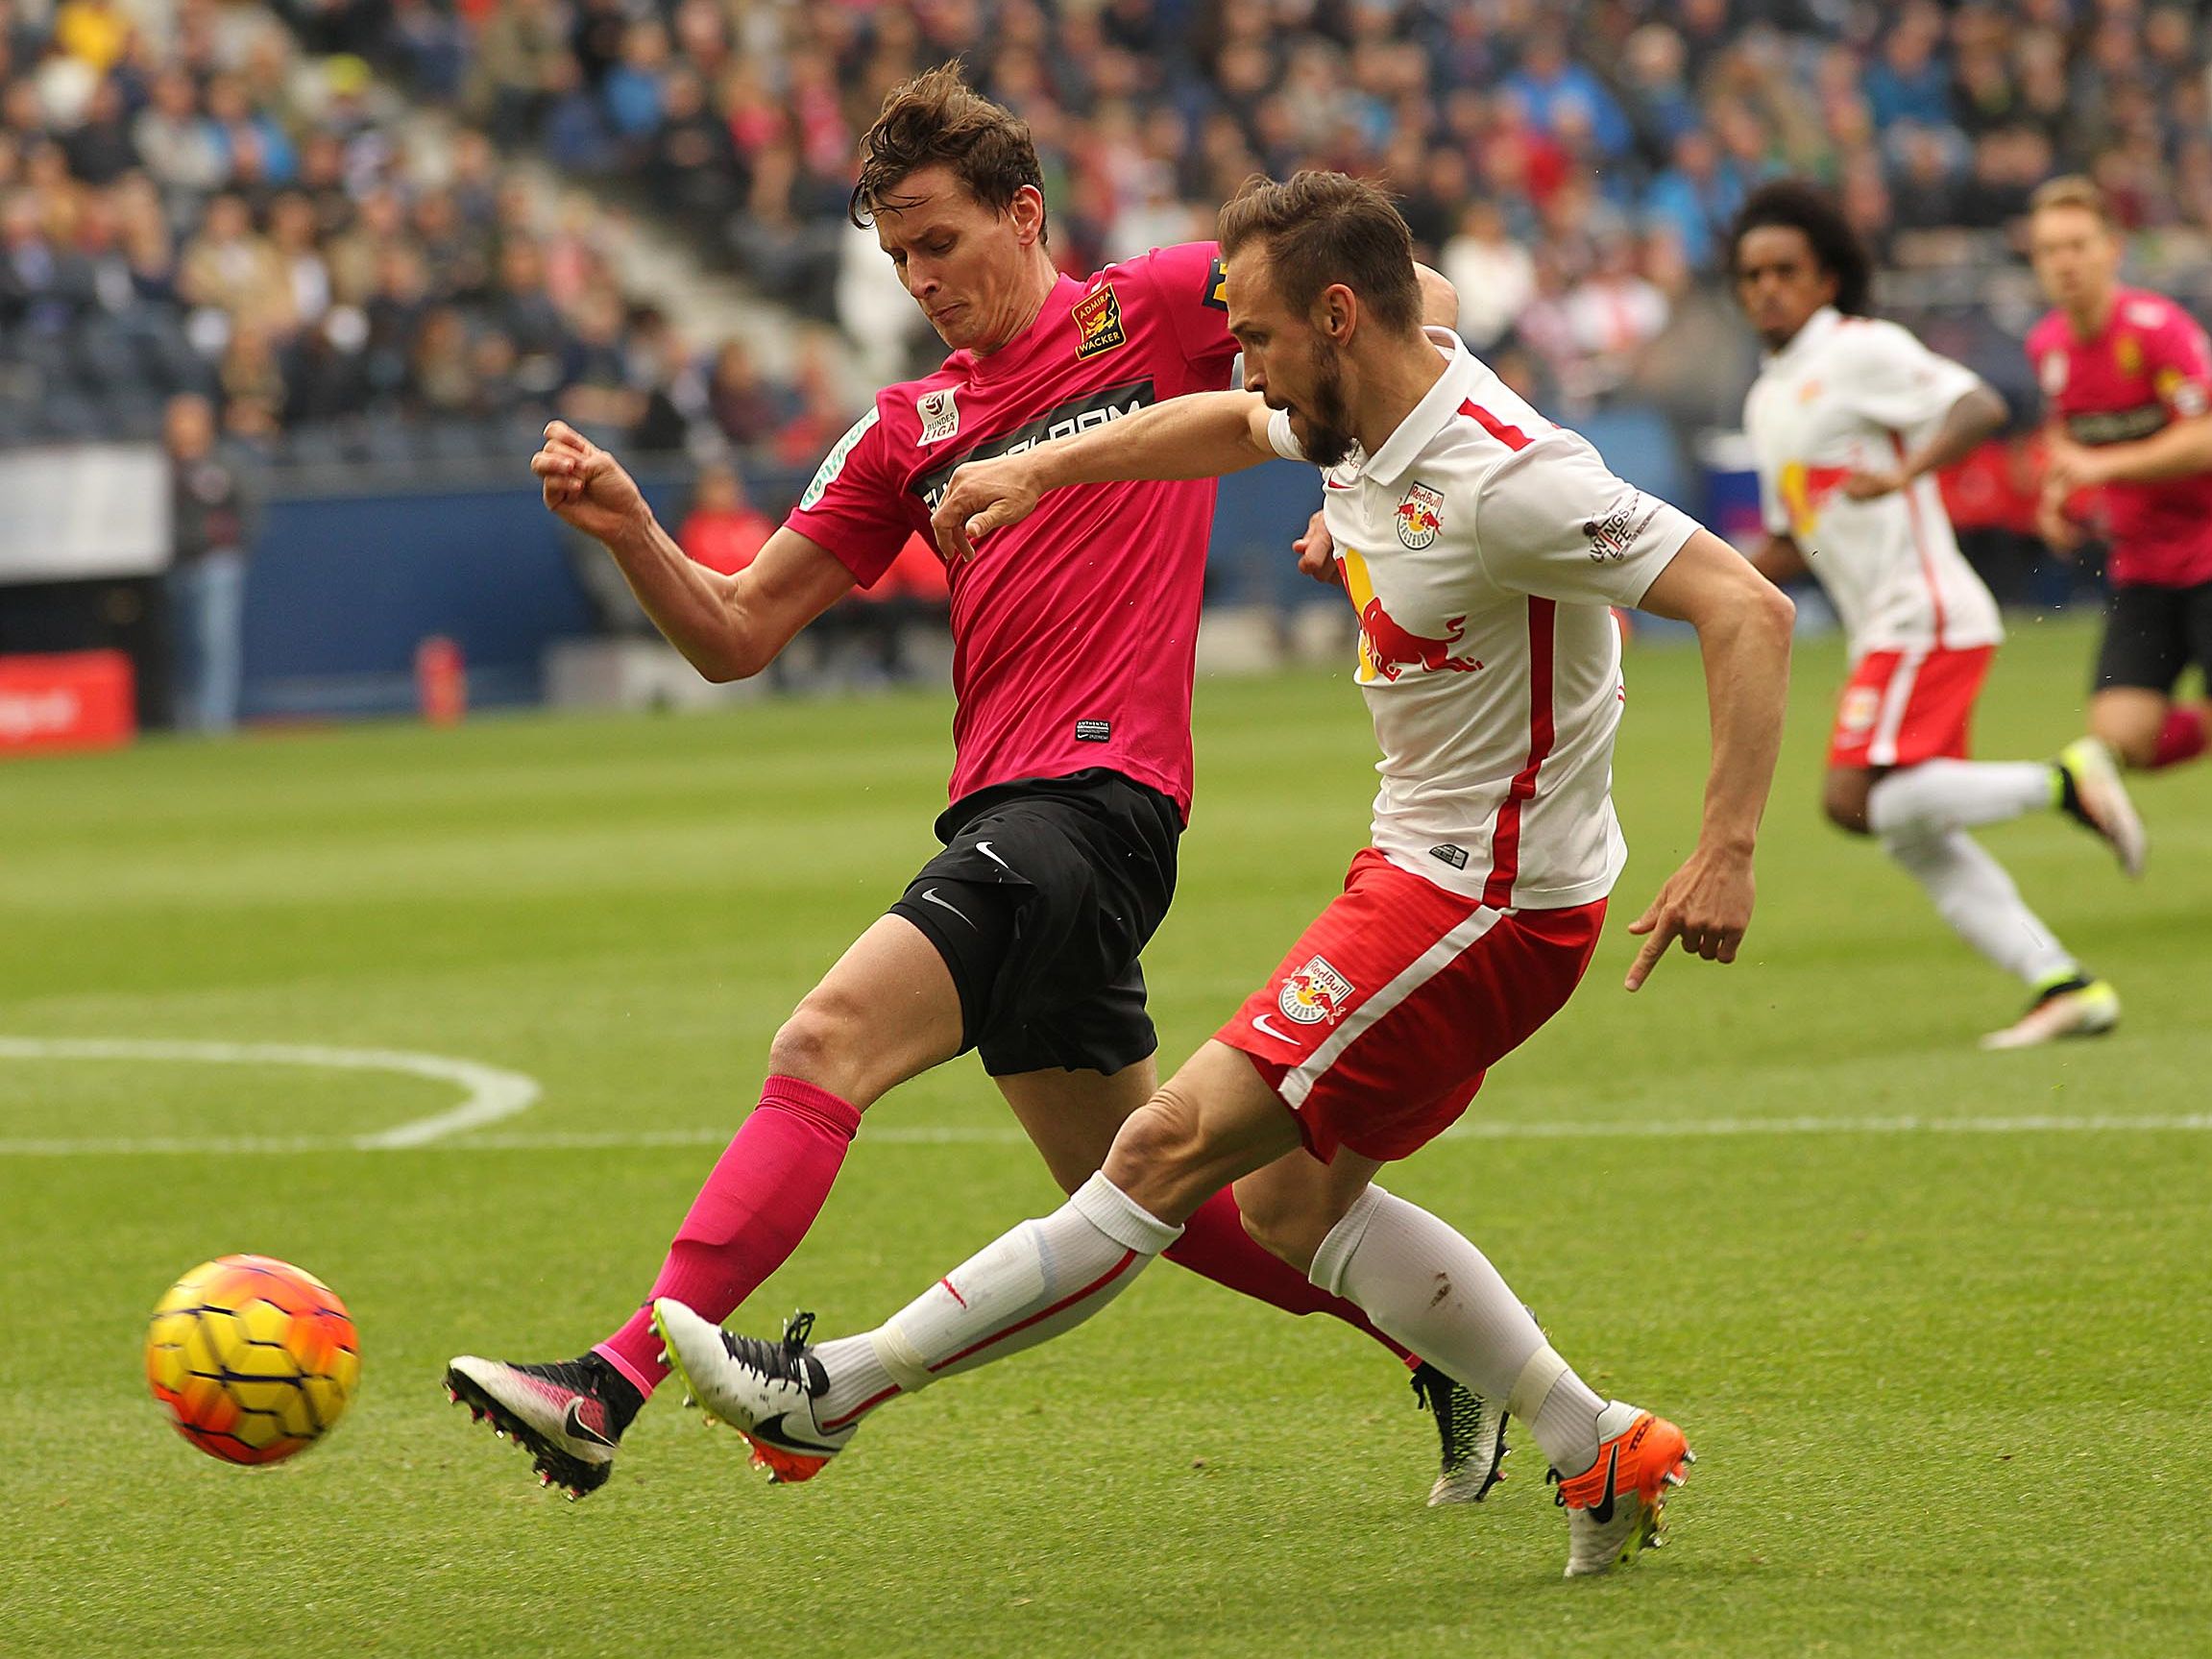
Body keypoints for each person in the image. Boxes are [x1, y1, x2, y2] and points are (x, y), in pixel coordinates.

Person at [652, 170, 1797, 1579]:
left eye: (1254, 334)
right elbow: (1217, 423)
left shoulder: (1503, 476)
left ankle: (833, 1393)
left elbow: (1745, 605)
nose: (1239, 359)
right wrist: (1032, 467)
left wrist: (1724, 848)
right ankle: (1591, 1440)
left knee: (1155, 1150)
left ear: (1334, 315)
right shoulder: (1354, 410)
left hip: (1481, 904)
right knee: (1284, 1210)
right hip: (1422, 878)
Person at [445, 66, 1495, 1505]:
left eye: (939, 242)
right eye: (894, 257)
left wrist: (1370, 489)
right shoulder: (903, 425)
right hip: (1014, 815)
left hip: (1093, 805)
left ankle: (609, 1378)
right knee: (1154, 1193)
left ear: (1025, 212)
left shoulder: (1160, 305)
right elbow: (736, 633)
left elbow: (1405, 300)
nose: (920, 278)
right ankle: (1467, 1364)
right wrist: (634, 529)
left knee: (824, 1040)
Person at [1730, 181, 2144, 1051]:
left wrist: (1911, 469)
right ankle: (2061, 982)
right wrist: (1682, 571)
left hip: (1924, 613)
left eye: (1784, 269)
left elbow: (1979, 405)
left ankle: (2065, 781)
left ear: (1826, 277)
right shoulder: (1768, 399)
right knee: (1913, 831)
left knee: (1853, 800)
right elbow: (1791, 539)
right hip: (1888, 627)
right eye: (1750, 273)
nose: (1766, 286)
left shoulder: (1858, 349)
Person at [2028, 175, 2212, 778]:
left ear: (2112, 249)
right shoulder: (2047, 347)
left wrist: (2100, 466)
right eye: (2050, 250)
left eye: (2078, 245)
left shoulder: (2157, 328)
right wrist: (2058, 495)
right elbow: (2068, 434)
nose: (2065, 263)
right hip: (2143, 565)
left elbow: (2205, 435)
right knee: (2122, 737)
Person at [164, 393, 257, 734]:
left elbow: (249, 508)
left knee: (215, 641)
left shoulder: (225, 462)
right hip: (174, 564)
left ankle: (215, 719)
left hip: (217, 563)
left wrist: (234, 547)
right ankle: (181, 716)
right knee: (178, 644)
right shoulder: (164, 465)